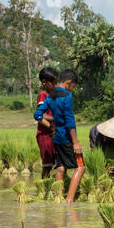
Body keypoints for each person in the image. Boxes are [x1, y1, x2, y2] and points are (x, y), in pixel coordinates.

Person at [34, 69, 85, 204]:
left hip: (56, 138)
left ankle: (58, 198)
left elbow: (37, 115)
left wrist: (51, 127)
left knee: (61, 168)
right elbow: (70, 121)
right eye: (73, 86)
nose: (72, 89)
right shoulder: (66, 96)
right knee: (80, 167)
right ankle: (69, 200)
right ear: (69, 83)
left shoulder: (50, 97)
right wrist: (75, 142)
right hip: (67, 139)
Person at [36, 67, 58, 179]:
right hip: (45, 134)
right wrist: (53, 123)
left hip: (54, 134)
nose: (55, 86)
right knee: (47, 165)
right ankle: (44, 188)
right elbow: (41, 115)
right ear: (44, 82)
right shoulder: (42, 95)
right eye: (53, 83)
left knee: (58, 163)